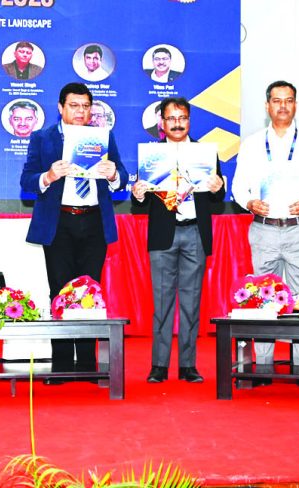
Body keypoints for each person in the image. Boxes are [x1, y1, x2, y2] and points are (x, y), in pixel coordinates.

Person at [20, 82, 127, 382]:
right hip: (59, 223)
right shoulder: (43, 138)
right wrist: (48, 176)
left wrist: (114, 175)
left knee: (90, 292)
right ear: (60, 107)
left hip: (94, 222)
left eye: (85, 106)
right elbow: (26, 181)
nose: (80, 111)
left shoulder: (103, 136)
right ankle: (63, 364)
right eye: (74, 106)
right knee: (60, 291)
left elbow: (122, 174)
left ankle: (89, 364)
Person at [233, 80, 299, 391]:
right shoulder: (252, 144)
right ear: (267, 106)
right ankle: (262, 367)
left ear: (295, 105)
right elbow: (238, 185)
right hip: (264, 228)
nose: (283, 106)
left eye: (288, 100)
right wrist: (248, 202)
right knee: (262, 295)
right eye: (277, 101)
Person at [131, 97, 224, 384]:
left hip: (195, 232)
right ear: (162, 123)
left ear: (189, 120)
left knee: (191, 303)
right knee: (162, 304)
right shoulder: (152, 155)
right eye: (171, 118)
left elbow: (218, 198)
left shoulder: (205, 153)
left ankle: (188, 365)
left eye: (182, 117)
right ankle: (159, 365)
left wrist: (218, 187)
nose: (177, 123)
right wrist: (138, 194)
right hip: (163, 235)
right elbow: (140, 204)